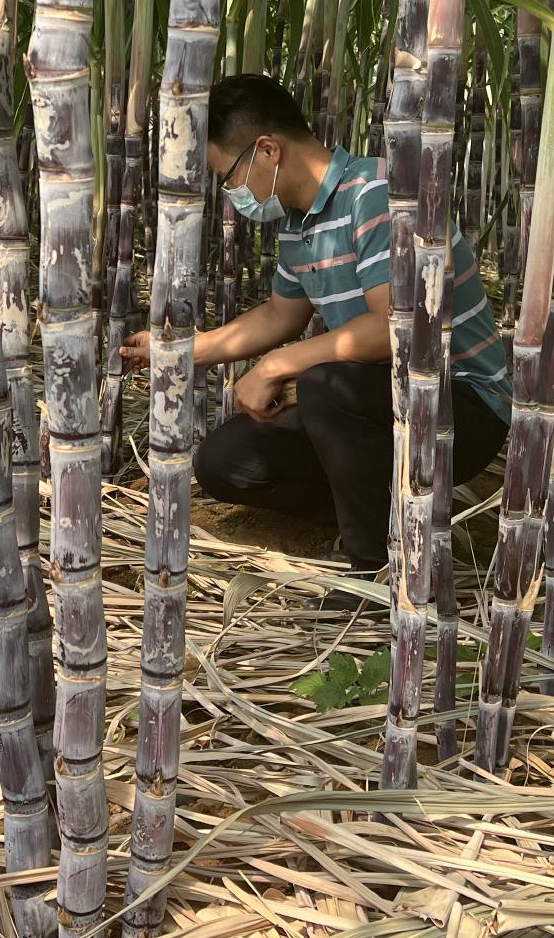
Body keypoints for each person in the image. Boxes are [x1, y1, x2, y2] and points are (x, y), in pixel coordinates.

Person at [123, 73, 511, 584]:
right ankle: (384, 516)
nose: (233, 192)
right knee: (225, 461)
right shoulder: (299, 223)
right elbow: (280, 315)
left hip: (458, 408)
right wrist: (177, 350)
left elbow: (395, 327)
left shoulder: (375, 194)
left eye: (230, 175)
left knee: (323, 385)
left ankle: (374, 567)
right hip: (384, 405)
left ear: (267, 150)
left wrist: (279, 363)